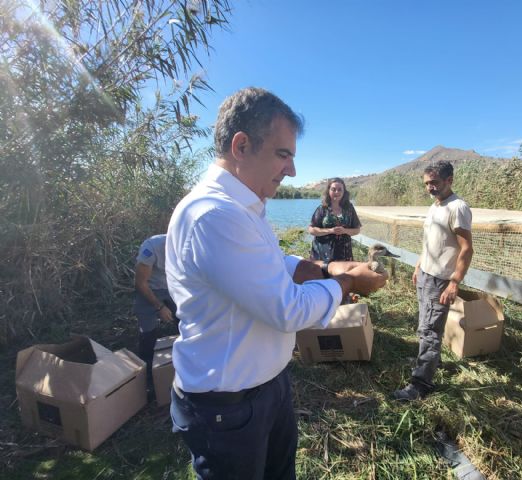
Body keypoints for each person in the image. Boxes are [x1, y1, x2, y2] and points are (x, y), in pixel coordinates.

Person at [165, 87, 387, 479]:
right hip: (227, 410)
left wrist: (323, 270)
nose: (293, 171)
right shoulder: (215, 215)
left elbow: (268, 262)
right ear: (242, 145)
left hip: (266, 388)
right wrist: (348, 282)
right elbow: (288, 310)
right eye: (283, 154)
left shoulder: (245, 207)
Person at [393, 160, 473, 401]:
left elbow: (466, 249)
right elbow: (430, 243)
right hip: (426, 275)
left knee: (430, 330)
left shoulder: (457, 207)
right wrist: (419, 266)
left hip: (441, 280)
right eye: (427, 183)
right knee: (424, 324)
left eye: (435, 183)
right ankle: (426, 362)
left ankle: (421, 384)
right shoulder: (435, 206)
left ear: (449, 180)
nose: (430, 188)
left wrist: (454, 282)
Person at [133, 234, 178, 379]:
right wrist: (159, 307)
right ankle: (147, 374)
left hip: (172, 286)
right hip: (149, 287)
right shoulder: (151, 248)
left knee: (185, 319)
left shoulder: (189, 246)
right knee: (147, 332)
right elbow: (141, 283)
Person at [308, 178, 361, 261]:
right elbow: (311, 230)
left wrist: (345, 231)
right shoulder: (322, 209)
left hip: (344, 255)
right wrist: (330, 231)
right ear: (328, 191)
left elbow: (357, 230)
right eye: (333, 189)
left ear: (344, 192)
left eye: (340, 189)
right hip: (321, 256)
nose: (337, 192)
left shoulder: (349, 208)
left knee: (345, 274)